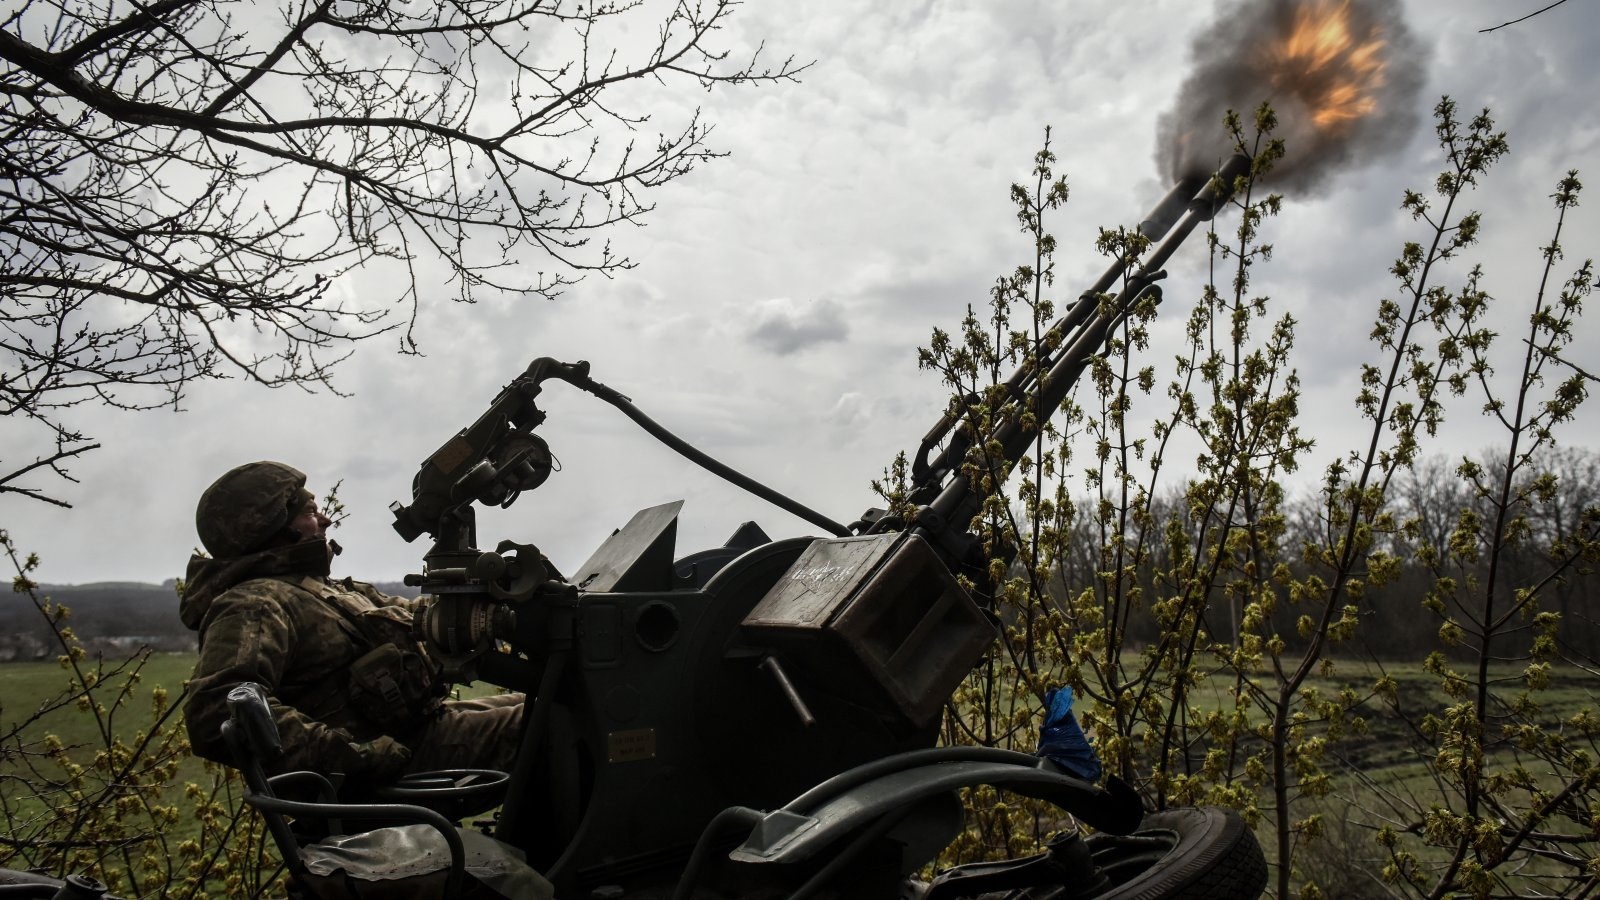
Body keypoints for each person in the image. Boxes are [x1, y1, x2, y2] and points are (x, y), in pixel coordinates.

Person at [181, 461, 523, 781]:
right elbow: (216, 711)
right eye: (310, 513)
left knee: (555, 699)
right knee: (553, 720)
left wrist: (495, 593)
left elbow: (417, 618)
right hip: (393, 763)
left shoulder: (317, 589)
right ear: (272, 528)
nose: (325, 520)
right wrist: (348, 757)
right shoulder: (255, 603)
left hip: (423, 728)